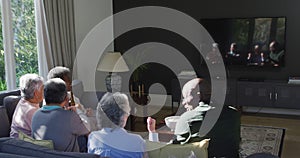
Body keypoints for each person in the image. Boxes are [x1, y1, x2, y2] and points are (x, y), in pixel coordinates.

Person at [88, 92, 158, 158]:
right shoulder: (136, 141)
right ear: (123, 116)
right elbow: (154, 155)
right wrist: (152, 132)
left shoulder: (93, 138)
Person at [32, 78, 90, 152]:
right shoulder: (70, 116)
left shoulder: (36, 114)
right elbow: (88, 129)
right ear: (66, 98)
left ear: (44, 97)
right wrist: (78, 111)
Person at [47, 66, 95, 131]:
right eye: (67, 81)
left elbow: (83, 112)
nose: (70, 83)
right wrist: (79, 110)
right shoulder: (51, 102)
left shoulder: (70, 95)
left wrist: (85, 111)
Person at [10, 74, 44, 138]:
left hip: (16, 142)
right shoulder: (31, 111)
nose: (44, 91)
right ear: (36, 93)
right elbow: (43, 133)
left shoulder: (22, 101)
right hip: (24, 145)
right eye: (42, 89)